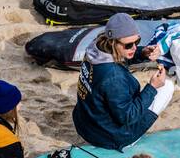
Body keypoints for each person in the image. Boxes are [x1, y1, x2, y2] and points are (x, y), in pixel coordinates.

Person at [72, 13, 174, 150]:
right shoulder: (114, 77)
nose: (133, 47)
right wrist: (152, 87)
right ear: (112, 42)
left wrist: (141, 52)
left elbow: (118, 55)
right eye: (128, 45)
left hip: (85, 125)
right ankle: (129, 143)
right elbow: (128, 117)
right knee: (167, 86)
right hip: (109, 138)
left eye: (137, 42)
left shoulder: (96, 47)